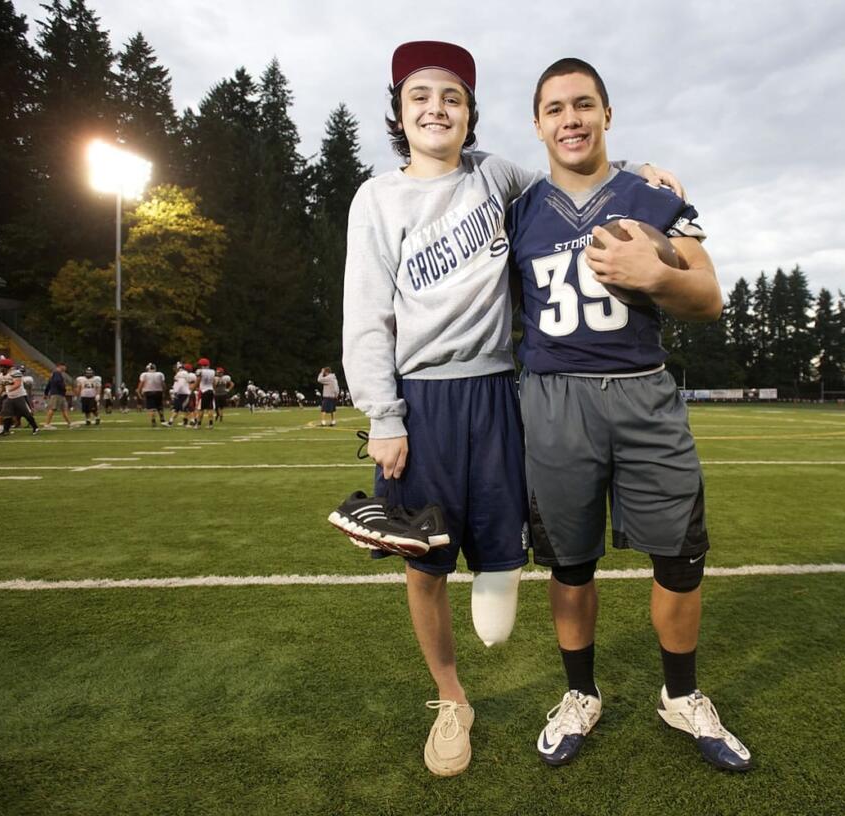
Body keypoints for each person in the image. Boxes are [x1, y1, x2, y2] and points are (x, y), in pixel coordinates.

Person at [336, 41, 683, 778]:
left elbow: (578, 178)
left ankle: (524, 638)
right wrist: (384, 414)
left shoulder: (498, 175)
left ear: (470, 114)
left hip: (502, 390)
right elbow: (366, 316)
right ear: (400, 111)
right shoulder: (377, 197)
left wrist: (644, 179)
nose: (437, 108)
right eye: (421, 95)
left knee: (505, 553)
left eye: (452, 97)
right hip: (421, 397)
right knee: (424, 564)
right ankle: (451, 698)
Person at [505, 58, 751, 772]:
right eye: (555, 109)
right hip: (553, 401)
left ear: (607, 114)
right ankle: (581, 693)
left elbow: (707, 296)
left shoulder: (654, 197)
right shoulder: (518, 211)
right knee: (570, 563)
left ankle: (681, 695)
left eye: (583, 105)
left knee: (679, 558)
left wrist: (658, 276)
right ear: (538, 124)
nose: (570, 119)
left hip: (644, 394)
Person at [0, 357, 39, 435]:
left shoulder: (15, 373)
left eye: (1, 366)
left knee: (26, 413)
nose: (0, 368)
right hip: (10, 397)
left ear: (6, 367)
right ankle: (6, 430)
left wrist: (8, 390)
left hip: (20, 396)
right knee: (7, 413)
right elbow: (1, 387)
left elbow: (17, 384)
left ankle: (35, 427)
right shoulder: (1, 375)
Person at [43, 362, 74, 429]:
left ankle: (70, 424)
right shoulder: (57, 373)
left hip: (59, 394)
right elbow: (58, 382)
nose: (65, 368)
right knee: (52, 409)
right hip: (57, 394)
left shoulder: (54, 374)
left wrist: (46, 393)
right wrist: (64, 389)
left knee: (64, 409)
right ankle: (47, 424)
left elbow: (49, 384)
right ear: (61, 366)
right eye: (64, 366)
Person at [196, 357, 217, 429]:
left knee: (201, 409)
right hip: (210, 390)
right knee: (210, 408)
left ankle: (198, 424)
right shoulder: (213, 371)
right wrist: (214, 390)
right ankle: (210, 424)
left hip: (203, 391)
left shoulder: (200, 371)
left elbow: (198, 381)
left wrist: (193, 389)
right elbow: (214, 382)